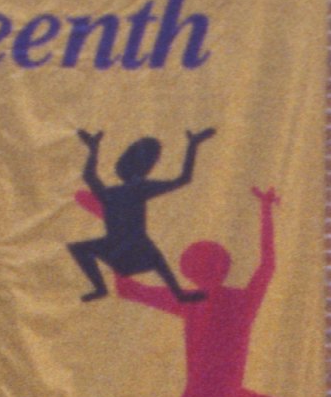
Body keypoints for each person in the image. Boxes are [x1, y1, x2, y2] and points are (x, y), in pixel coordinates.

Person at [121, 189, 307, 397]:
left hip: (220, 396)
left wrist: (120, 239)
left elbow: (127, 288)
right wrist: (265, 212)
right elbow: (268, 266)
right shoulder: (224, 301)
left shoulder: (203, 300)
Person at [68, 129, 220, 303]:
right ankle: (177, 294)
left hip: (127, 248)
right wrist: (192, 145)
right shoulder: (126, 190)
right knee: (156, 259)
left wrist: (93, 149)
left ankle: (101, 287)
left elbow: (89, 176)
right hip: (128, 248)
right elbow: (182, 179)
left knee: (154, 258)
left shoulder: (118, 191)